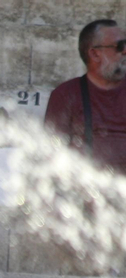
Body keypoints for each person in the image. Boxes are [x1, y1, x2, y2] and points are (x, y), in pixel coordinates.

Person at [45, 20, 126, 174]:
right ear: (95, 53)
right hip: (86, 191)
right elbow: (53, 154)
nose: (125, 51)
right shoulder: (66, 95)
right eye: (120, 46)